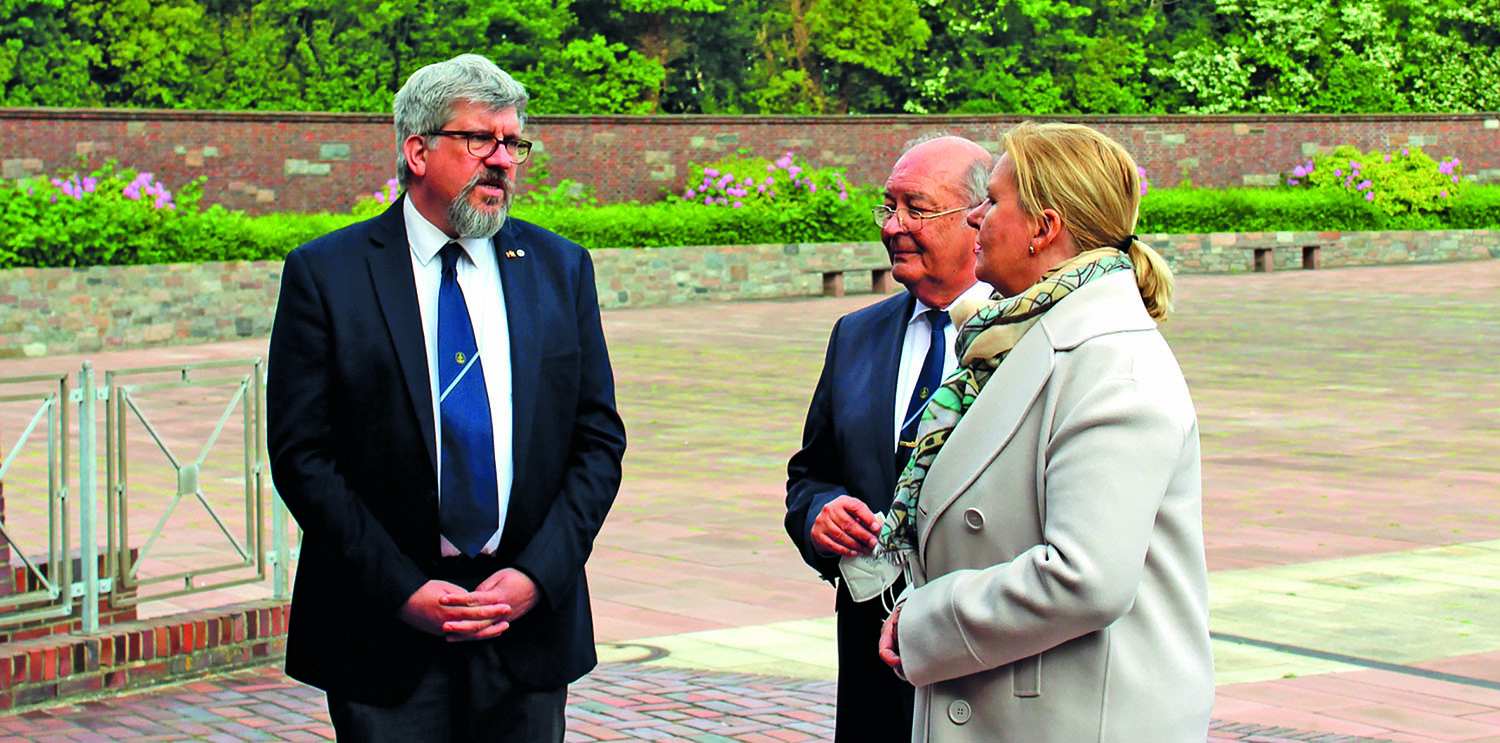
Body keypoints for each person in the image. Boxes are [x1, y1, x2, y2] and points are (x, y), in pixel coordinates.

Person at [266, 54, 626, 742]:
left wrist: (538, 575)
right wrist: (401, 589)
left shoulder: (560, 268)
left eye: (513, 142)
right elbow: (303, 455)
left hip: (524, 627)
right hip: (382, 629)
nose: (503, 159)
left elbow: (597, 439)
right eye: (480, 139)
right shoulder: (326, 274)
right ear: (418, 150)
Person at [876, 121, 1213, 742]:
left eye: (994, 201)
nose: (974, 218)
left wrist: (928, 623)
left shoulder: (1112, 363)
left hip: (1076, 716)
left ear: (1044, 228)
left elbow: (1086, 578)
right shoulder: (1019, 338)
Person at [784, 135, 994, 743]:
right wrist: (819, 516)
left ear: (978, 219)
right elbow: (812, 471)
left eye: (917, 209)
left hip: (983, 659)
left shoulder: (1024, 336)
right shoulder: (857, 334)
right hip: (874, 666)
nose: (895, 226)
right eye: (888, 207)